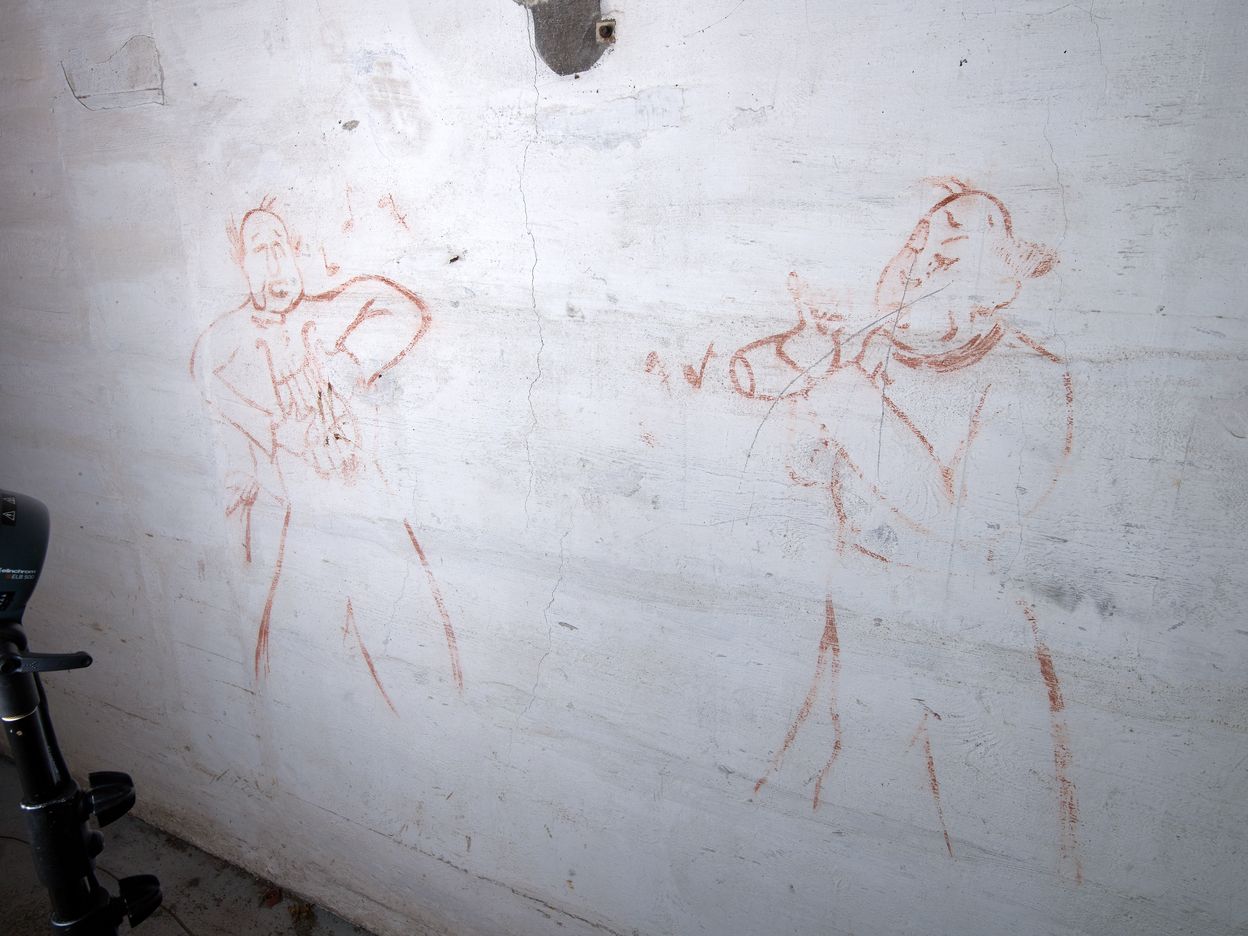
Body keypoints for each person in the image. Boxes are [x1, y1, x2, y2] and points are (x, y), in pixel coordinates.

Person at [190, 197, 462, 712]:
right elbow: (205, 372)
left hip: (365, 494)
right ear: (241, 265)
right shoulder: (234, 335)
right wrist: (274, 430)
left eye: (281, 245)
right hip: (306, 514)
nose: (275, 261)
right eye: (259, 250)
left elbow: (402, 305)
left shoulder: (321, 312)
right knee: (300, 643)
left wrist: (350, 361)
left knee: (411, 628)